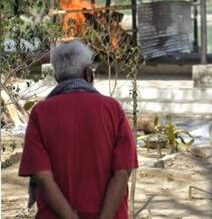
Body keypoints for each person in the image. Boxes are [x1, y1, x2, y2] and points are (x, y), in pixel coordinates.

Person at [19, 40, 138, 219]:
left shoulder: (40, 113)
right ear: (88, 73)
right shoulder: (112, 109)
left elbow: (42, 177)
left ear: (58, 77)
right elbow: (122, 171)